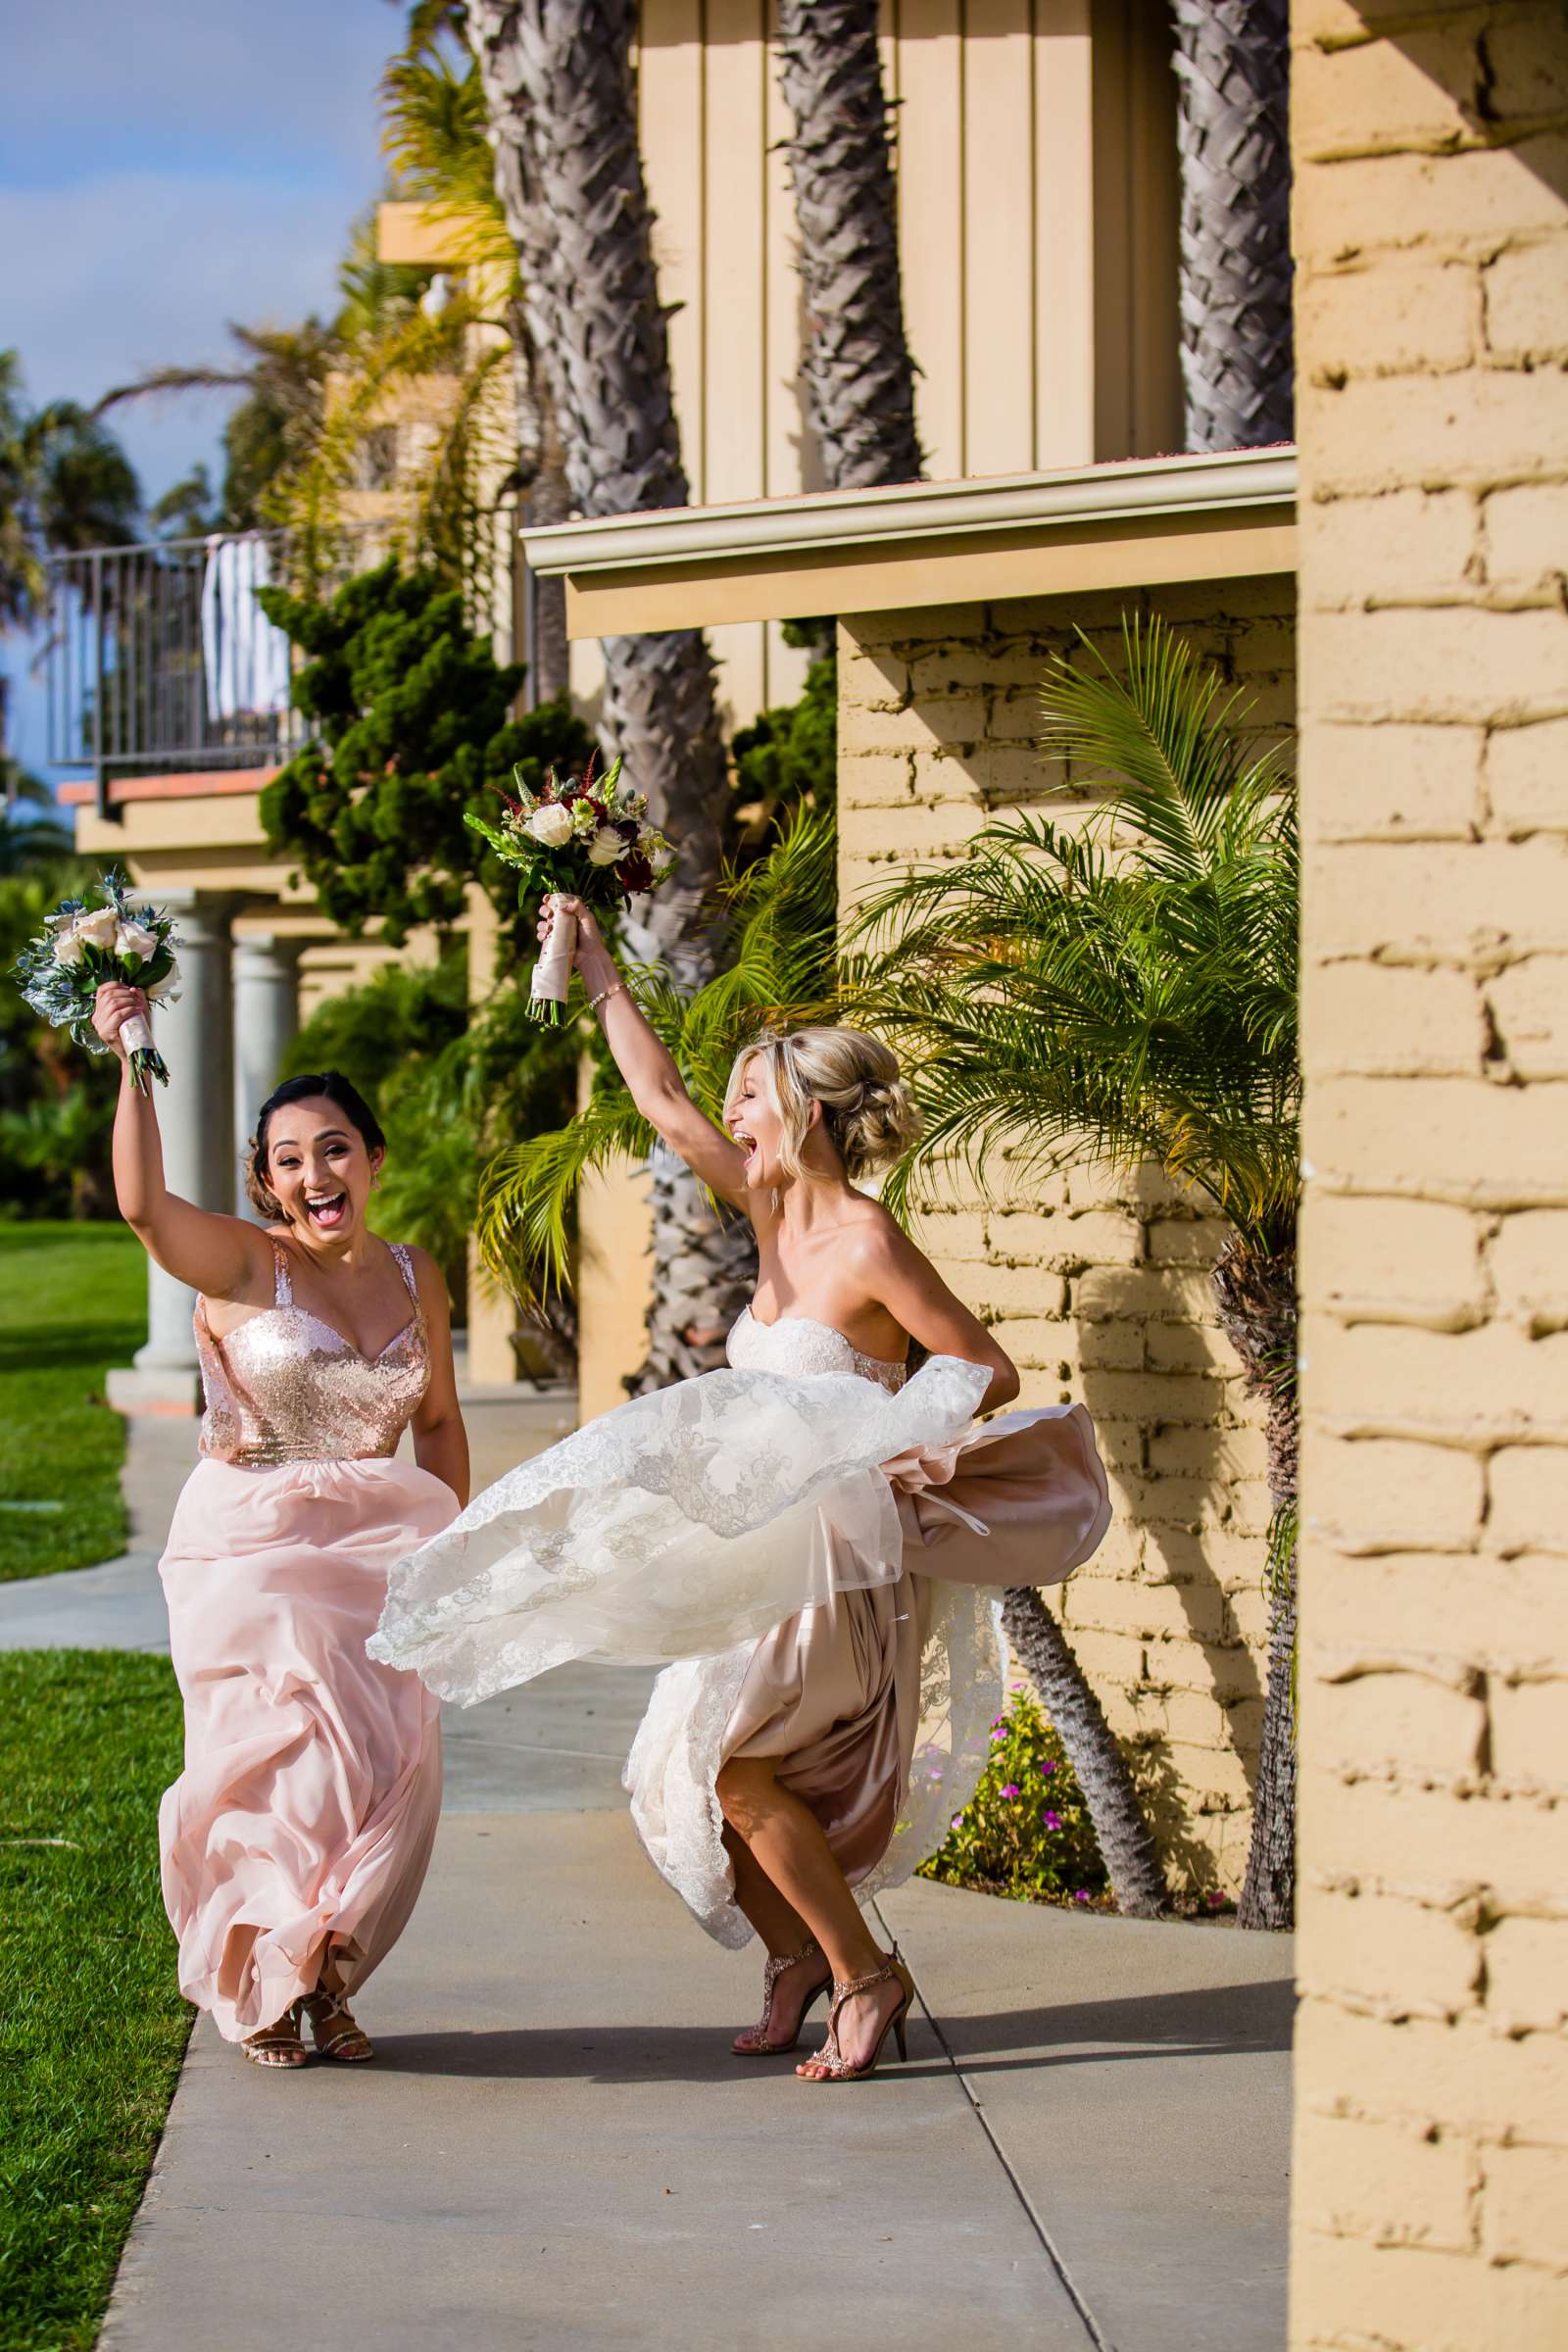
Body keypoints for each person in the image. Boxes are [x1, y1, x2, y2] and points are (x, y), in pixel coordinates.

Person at [371, 900, 1109, 2084]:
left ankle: (863, 1974)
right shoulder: (767, 1211)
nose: (728, 1121)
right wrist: (605, 973)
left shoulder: (865, 1240)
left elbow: (984, 1369)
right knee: (683, 1779)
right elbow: (660, 1101)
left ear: (804, 1114)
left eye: (749, 1103)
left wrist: (880, 1438)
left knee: (735, 1771)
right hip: (750, 1564)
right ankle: (799, 1960)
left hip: (829, 1569)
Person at [93, 982, 468, 2070]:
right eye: (292, 1160)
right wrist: (133, 1054)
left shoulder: (418, 1275)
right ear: (267, 1183)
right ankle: (265, 1979)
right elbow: (142, 1208)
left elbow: (438, 1424)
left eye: (336, 1149)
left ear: (375, 1158)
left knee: (378, 1769)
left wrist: (457, 1554)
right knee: (285, 1772)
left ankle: (324, 1979)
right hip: (251, 1548)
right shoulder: (249, 1264)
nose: (317, 1175)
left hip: (377, 1546)